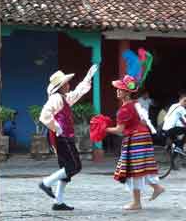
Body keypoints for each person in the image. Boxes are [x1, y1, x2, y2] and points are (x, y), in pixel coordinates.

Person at [39, 64, 98, 211]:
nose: (68, 85)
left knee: (66, 169)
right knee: (74, 166)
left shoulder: (63, 98)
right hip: (61, 136)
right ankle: (46, 183)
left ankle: (58, 202)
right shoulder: (56, 98)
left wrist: (88, 78)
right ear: (60, 86)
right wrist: (56, 126)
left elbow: (77, 92)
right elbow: (44, 116)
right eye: (66, 83)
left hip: (64, 136)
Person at [106, 75, 164, 211]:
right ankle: (156, 187)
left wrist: (104, 129)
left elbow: (119, 130)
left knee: (133, 170)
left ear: (127, 93)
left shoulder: (124, 110)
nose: (118, 91)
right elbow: (143, 121)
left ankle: (137, 202)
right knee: (140, 167)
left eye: (121, 89)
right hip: (143, 135)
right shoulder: (135, 105)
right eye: (118, 89)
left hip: (135, 139)